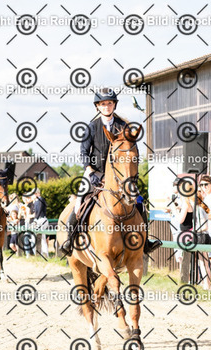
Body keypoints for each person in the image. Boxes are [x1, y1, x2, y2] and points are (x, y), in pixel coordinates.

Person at [60, 88, 161, 256]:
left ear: (114, 105)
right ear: (97, 106)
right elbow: (84, 152)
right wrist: (90, 171)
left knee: (139, 202)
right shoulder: (92, 127)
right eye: (103, 104)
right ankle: (70, 241)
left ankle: (146, 242)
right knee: (79, 203)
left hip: (119, 175)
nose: (106, 106)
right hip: (95, 172)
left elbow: (131, 149)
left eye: (109, 103)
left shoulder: (123, 126)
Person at [32, 189, 48, 258]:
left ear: (38, 193)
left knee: (42, 237)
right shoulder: (36, 201)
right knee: (40, 237)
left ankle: (44, 253)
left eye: (34, 194)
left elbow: (39, 210)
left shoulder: (41, 200)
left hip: (41, 219)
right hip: (39, 220)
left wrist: (35, 219)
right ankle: (42, 253)